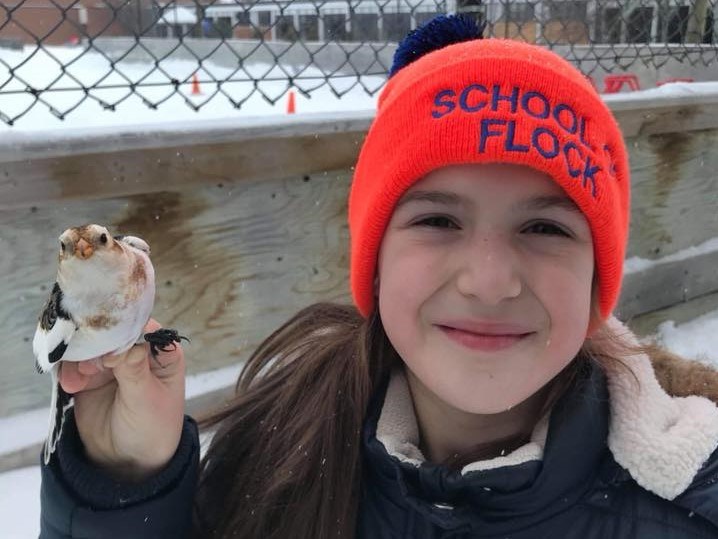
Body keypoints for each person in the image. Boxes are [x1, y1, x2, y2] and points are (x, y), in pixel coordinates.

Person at [39, 14, 718, 539]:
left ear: (600, 275)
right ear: (373, 256)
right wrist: (125, 481)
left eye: (545, 228)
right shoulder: (275, 453)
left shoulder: (690, 503)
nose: (488, 280)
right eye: (438, 221)